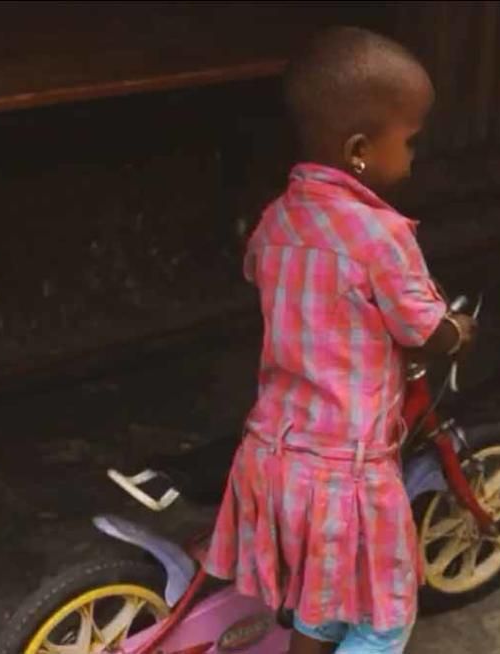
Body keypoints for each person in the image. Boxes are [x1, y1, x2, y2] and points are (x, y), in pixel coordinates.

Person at [204, 26, 477, 654]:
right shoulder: (381, 236)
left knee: (320, 600)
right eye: (411, 141)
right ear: (360, 150)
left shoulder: (277, 218)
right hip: (348, 473)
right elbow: (424, 329)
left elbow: (259, 268)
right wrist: (460, 331)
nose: (415, 155)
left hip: (275, 457)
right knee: (384, 621)